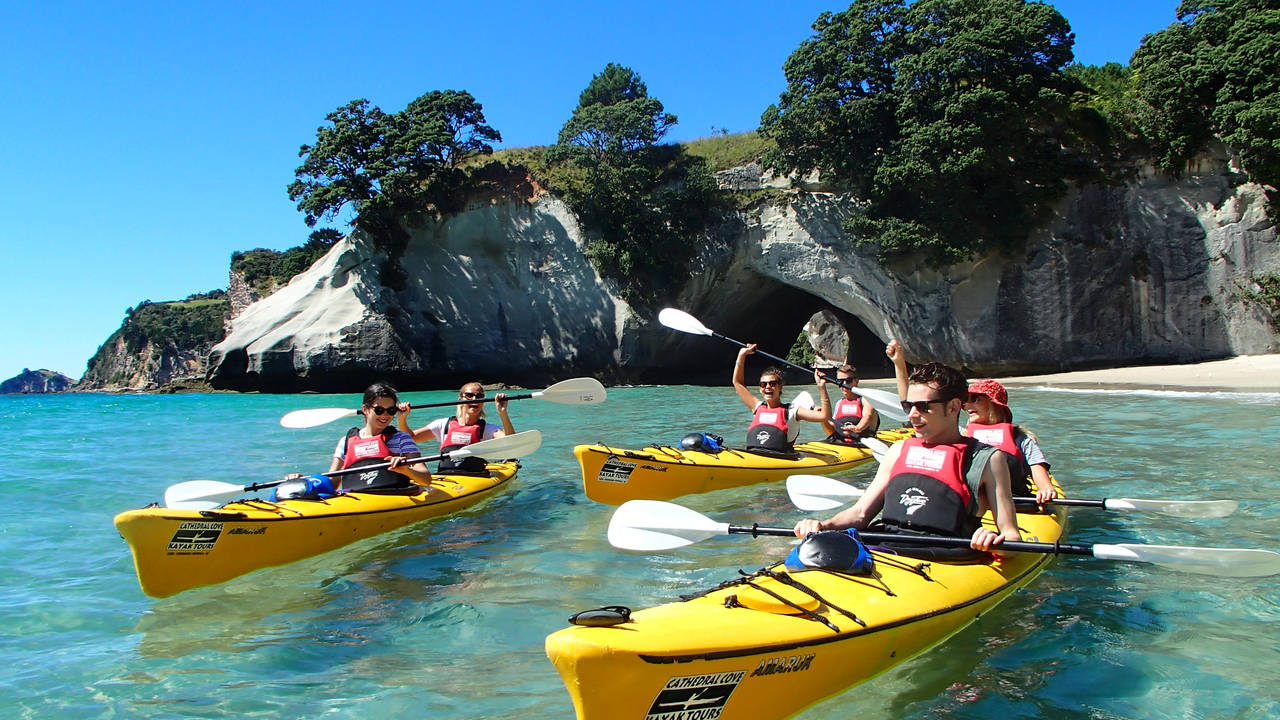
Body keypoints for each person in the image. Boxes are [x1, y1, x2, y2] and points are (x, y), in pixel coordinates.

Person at [793, 352, 1021, 556]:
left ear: (953, 407)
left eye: (923, 406)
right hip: (885, 548)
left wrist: (994, 540)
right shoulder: (898, 450)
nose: (911, 415)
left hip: (948, 557)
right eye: (908, 406)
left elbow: (1012, 536)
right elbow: (860, 514)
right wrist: (823, 526)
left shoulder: (987, 460)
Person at [292, 382, 432, 492]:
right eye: (379, 410)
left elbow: (426, 479)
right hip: (358, 499)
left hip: (394, 496)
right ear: (365, 409)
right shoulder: (346, 442)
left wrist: (407, 470)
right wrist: (305, 482)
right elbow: (332, 483)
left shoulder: (402, 439)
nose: (385, 415)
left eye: (391, 410)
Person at [963, 378, 1058, 505]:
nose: (966, 405)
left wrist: (1045, 490)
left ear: (993, 404)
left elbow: (1039, 473)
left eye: (975, 399)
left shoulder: (1022, 439)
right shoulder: (961, 435)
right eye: (965, 400)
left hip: (1014, 500)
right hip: (972, 501)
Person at [732, 344, 830, 454]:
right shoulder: (757, 407)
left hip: (781, 457)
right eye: (763, 384)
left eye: (772, 383)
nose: (767, 387)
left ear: (780, 387)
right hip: (754, 454)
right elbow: (737, 383)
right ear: (760, 389)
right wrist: (742, 355)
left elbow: (824, 416)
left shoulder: (792, 411)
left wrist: (821, 387)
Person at [397, 381, 513, 473]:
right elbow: (411, 438)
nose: (475, 399)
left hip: (475, 476)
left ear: (483, 400)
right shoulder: (443, 424)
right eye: (469, 395)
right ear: (460, 399)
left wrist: (502, 412)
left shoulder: (487, 429)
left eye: (479, 396)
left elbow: (511, 442)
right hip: (446, 476)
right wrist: (402, 419)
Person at [816, 364, 880, 445]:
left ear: (856, 380)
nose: (844, 384)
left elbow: (868, 416)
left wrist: (857, 428)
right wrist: (823, 419)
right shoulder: (839, 403)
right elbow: (831, 432)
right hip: (841, 444)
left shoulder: (866, 400)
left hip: (862, 444)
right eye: (840, 381)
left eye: (848, 380)